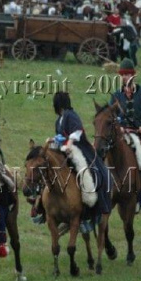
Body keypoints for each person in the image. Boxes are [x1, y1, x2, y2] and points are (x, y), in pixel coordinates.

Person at [52, 91, 111, 224]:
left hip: (79, 148)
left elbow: (77, 131)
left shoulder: (70, 115)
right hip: (64, 148)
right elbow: (60, 137)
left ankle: (91, 205)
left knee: (85, 170)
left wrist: (69, 145)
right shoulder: (59, 120)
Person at [110, 58, 141, 211]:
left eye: (128, 74)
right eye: (123, 75)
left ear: (134, 75)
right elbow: (111, 116)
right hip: (123, 135)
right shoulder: (116, 95)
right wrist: (119, 127)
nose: (125, 77)